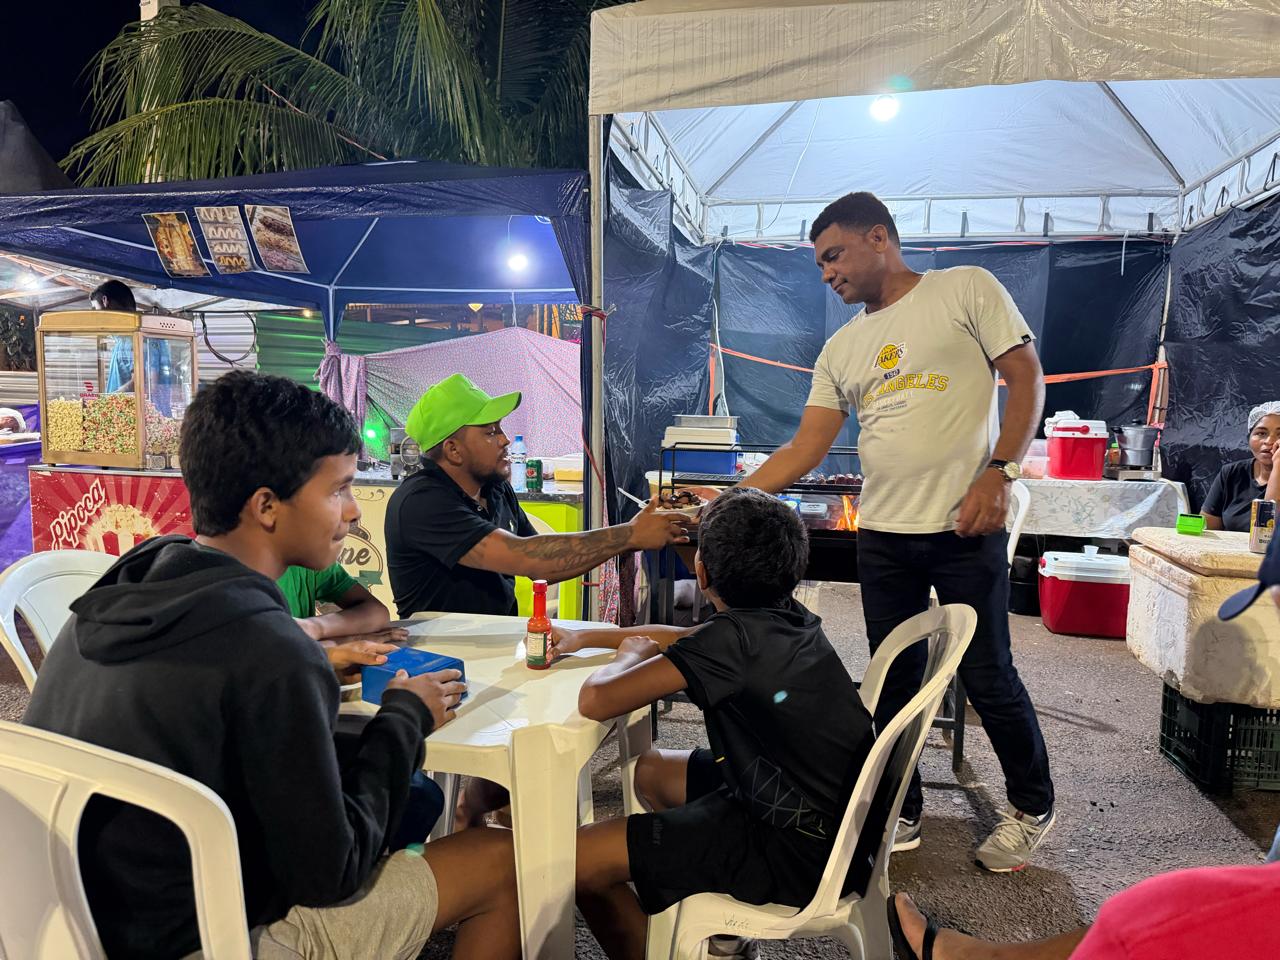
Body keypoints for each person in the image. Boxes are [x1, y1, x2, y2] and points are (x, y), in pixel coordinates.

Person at [23, 370, 519, 960]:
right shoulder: (272, 649)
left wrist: (323, 674)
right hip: (206, 939)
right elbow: (331, 873)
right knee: (502, 861)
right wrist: (406, 715)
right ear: (266, 506)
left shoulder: (127, 585)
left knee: (406, 793)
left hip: (65, 922)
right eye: (338, 490)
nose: (354, 512)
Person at [719, 191, 1055, 871]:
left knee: (987, 675)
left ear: (879, 237)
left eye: (833, 255)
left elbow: (1025, 377)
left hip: (964, 527)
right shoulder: (842, 347)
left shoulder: (965, 289)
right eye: (819, 264)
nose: (827, 273)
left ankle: (1031, 805)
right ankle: (902, 805)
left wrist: (1001, 471)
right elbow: (805, 448)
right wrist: (725, 502)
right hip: (884, 537)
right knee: (892, 678)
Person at [887, 533, 1280, 960]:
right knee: (1151, 915)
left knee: (1146, 920)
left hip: (963, 537)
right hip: (892, 530)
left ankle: (1027, 818)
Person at [561, 487, 875, 960]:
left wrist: (625, 655)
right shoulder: (784, 616)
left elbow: (596, 700)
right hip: (830, 817)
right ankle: (718, 928)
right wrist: (586, 636)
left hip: (794, 847)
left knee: (578, 860)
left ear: (701, 571)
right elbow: (683, 638)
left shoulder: (731, 643)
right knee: (651, 770)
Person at [386, 372, 691, 618]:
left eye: (500, 428)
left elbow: (547, 566)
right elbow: (531, 559)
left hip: (496, 643)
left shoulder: (495, 489)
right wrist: (630, 535)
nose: (505, 439)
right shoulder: (422, 501)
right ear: (453, 450)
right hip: (438, 653)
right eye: (490, 431)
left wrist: (633, 533)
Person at [1201, 402, 1280, 532]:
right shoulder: (1232, 473)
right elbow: (1207, 530)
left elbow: (1268, 532)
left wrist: (1278, 464)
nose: (1269, 441)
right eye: (1261, 433)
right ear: (1249, 438)